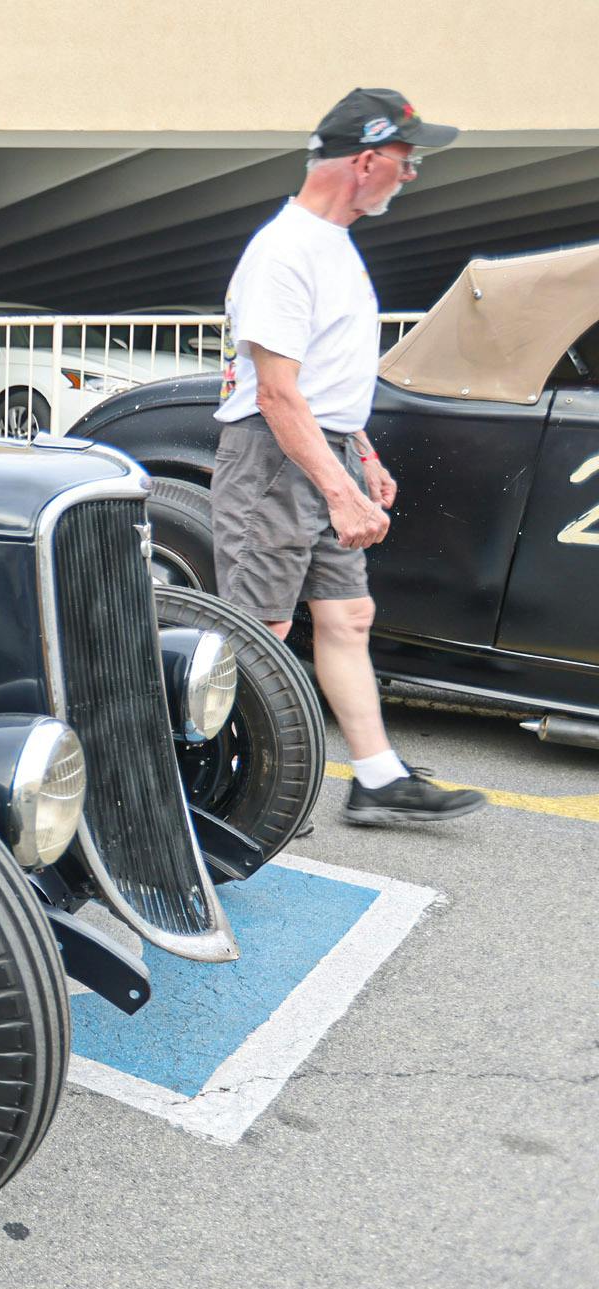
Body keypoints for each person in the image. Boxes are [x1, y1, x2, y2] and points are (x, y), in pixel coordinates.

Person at [212, 88, 483, 826]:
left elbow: (322, 378)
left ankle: (377, 778)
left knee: (348, 615)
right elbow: (274, 393)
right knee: (259, 631)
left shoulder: (332, 245)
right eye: (406, 158)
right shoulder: (283, 251)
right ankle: (216, 788)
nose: (411, 173)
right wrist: (338, 489)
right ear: (365, 160)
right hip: (274, 458)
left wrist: (361, 452)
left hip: (318, 447)